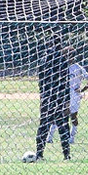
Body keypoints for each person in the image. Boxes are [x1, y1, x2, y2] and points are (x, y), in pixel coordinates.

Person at [31, 31, 71, 161]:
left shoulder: (43, 59)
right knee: (62, 125)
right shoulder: (62, 59)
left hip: (47, 96)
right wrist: (67, 100)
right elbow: (65, 81)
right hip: (59, 96)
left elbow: (41, 79)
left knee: (44, 125)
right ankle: (66, 154)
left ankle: (39, 153)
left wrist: (42, 95)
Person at [47, 47, 88, 145]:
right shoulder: (61, 67)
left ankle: (71, 138)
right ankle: (49, 137)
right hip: (63, 94)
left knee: (73, 116)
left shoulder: (78, 68)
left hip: (74, 96)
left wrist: (82, 89)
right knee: (59, 115)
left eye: (66, 55)